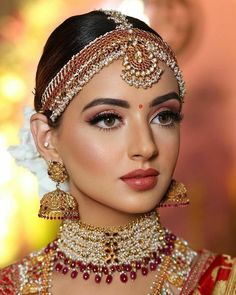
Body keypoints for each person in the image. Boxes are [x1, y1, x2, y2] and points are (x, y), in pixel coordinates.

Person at [0, 9, 235, 295]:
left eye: (163, 117)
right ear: (47, 139)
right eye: (108, 119)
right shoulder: (12, 288)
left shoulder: (222, 284)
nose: (146, 147)